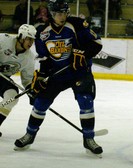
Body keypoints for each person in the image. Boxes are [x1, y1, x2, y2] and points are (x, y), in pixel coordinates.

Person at [14, 0, 103, 156]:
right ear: (51, 14)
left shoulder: (76, 24)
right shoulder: (42, 31)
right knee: (40, 103)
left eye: (62, 13)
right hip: (57, 74)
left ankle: (89, 139)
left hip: (79, 71)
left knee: (86, 100)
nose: (60, 16)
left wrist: (82, 54)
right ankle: (29, 134)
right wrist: (41, 76)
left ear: (67, 13)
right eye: (56, 14)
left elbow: (96, 43)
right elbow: (44, 59)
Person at [0, 24, 36, 137]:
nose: (31, 43)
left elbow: (28, 79)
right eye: (28, 39)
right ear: (21, 36)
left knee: (12, 97)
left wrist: (31, 89)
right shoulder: (3, 40)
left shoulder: (29, 57)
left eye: (33, 40)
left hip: (2, 78)